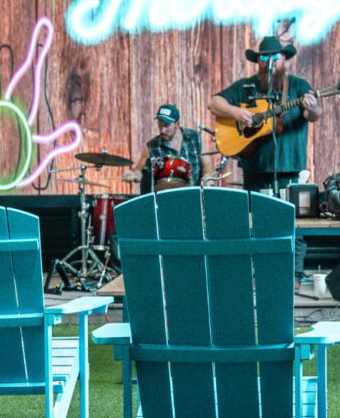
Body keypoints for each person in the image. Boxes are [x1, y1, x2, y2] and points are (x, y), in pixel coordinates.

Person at [207, 36, 321, 286]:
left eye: (275, 57)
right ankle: (258, 275)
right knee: (255, 222)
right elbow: (214, 103)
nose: (270, 62)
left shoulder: (298, 86)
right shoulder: (246, 86)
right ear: (258, 61)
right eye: (264, 57)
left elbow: (313, 115)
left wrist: (312, 107)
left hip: (290, 166)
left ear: (284, 59)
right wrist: (237, 113)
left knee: (295, 224)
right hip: (255, 167)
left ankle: (294, 276)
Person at [123, 104, 212, 190]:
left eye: (166, 126)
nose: (162, 130)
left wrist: (207, 176)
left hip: (193, 196)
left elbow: (207, 164)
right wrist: (133, 174)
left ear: (177, 124)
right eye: (160, 126)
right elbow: (139, 172)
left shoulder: (195, 138)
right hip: (163, 199)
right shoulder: (152, 146)